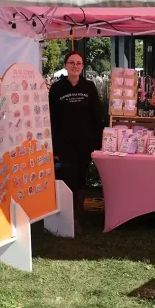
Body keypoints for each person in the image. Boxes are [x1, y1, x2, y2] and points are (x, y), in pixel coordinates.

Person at [49, 51, 103, 234]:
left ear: (82, 66)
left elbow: (97, 116)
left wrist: (98, 143)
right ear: (65, 66)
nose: (75, 66)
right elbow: (52, 119)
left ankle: (78, 217)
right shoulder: (56, 89)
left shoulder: (89, 87)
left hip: (86, 142)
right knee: (67, 178)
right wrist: (54, 146)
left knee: (81, 179)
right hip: (65, 143)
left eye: (78, 63)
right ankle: (67, 217)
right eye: (71, 62)